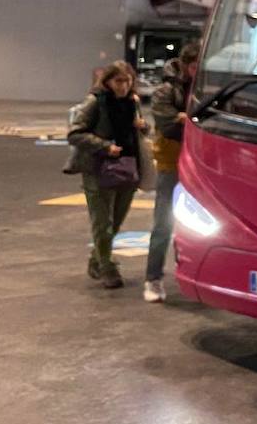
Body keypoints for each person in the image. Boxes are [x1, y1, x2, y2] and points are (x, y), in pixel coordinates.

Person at [65, 61, 148, 289]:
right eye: (118, 81)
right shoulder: (96, 102)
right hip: (98, 169)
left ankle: (96, 260)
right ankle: (106, 268)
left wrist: (142, 127)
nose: (123, 86)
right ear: (108, 81)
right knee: (103, 223)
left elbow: (138, 132)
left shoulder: (133, 102)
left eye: (127, 81)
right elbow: (75, 133)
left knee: (117, 221)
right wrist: (103, 146)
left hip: (127, 167)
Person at [144, 42, 199, 303]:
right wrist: (183, 118)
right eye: (195, 66)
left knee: (197, 225)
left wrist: (183, 117)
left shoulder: (204, 87)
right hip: (171, 161)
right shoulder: (166, 90)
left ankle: (192, 274)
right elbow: (165, 119)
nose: (198, 71)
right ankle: (153, 279)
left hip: (198, 161)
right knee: (163, 223)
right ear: (187, 64)